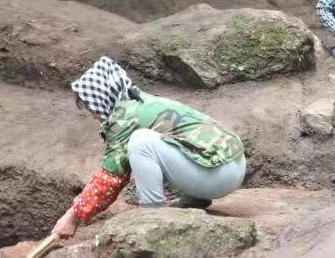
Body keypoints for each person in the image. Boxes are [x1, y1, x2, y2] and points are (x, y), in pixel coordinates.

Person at [52, 57, 246, 239]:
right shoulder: (142, 100)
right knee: (168, 142)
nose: (93, 115)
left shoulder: (124, 118)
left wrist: (72, 216)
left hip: (218, 176)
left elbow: (110, 178)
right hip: (235, 164)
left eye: (91, 107)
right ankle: (195, 200)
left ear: (102, 98)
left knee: (140, 141)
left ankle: (152, 215)